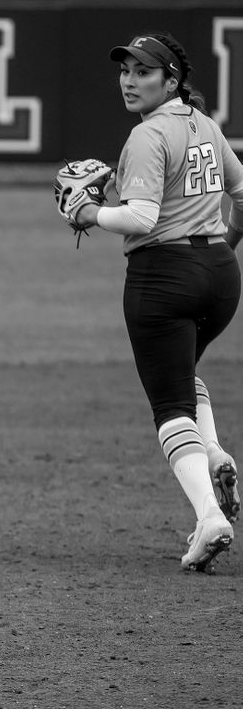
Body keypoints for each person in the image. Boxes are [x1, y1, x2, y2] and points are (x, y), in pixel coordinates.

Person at [69, 32, 243, 573]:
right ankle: (213, 452)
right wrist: (222, 249)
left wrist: (88, 214)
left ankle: (209, 516)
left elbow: (141, 218)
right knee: (181, 372)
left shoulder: (149, 135)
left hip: (163, 277)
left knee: (169, 408)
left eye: (144, 71)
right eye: (124, 69)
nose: (128, 79)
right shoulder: (205, 126)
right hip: (221, 276)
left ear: (172, 80)